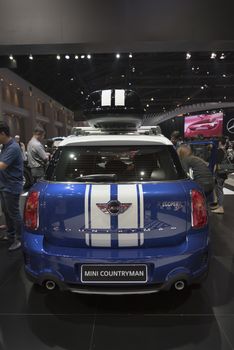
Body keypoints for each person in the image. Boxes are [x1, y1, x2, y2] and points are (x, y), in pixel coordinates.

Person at [0, 122, 23, 251]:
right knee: (7, 213)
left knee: (14, 213)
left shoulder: (13, 147)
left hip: (11, 186)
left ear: (3, 133)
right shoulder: (4, 146)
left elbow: (2, 165)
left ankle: (19, 239)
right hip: (4, 185)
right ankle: (10, 235)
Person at [212, 138, 227, 214]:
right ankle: (218, 205)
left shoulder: (220, 151)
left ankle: (220, 207)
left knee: (220, 190)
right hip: (223, 173)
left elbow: (217, 163)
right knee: (218, 189)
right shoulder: (225, 150)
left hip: (220, 173)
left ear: (220, 142)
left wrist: (213, 173)